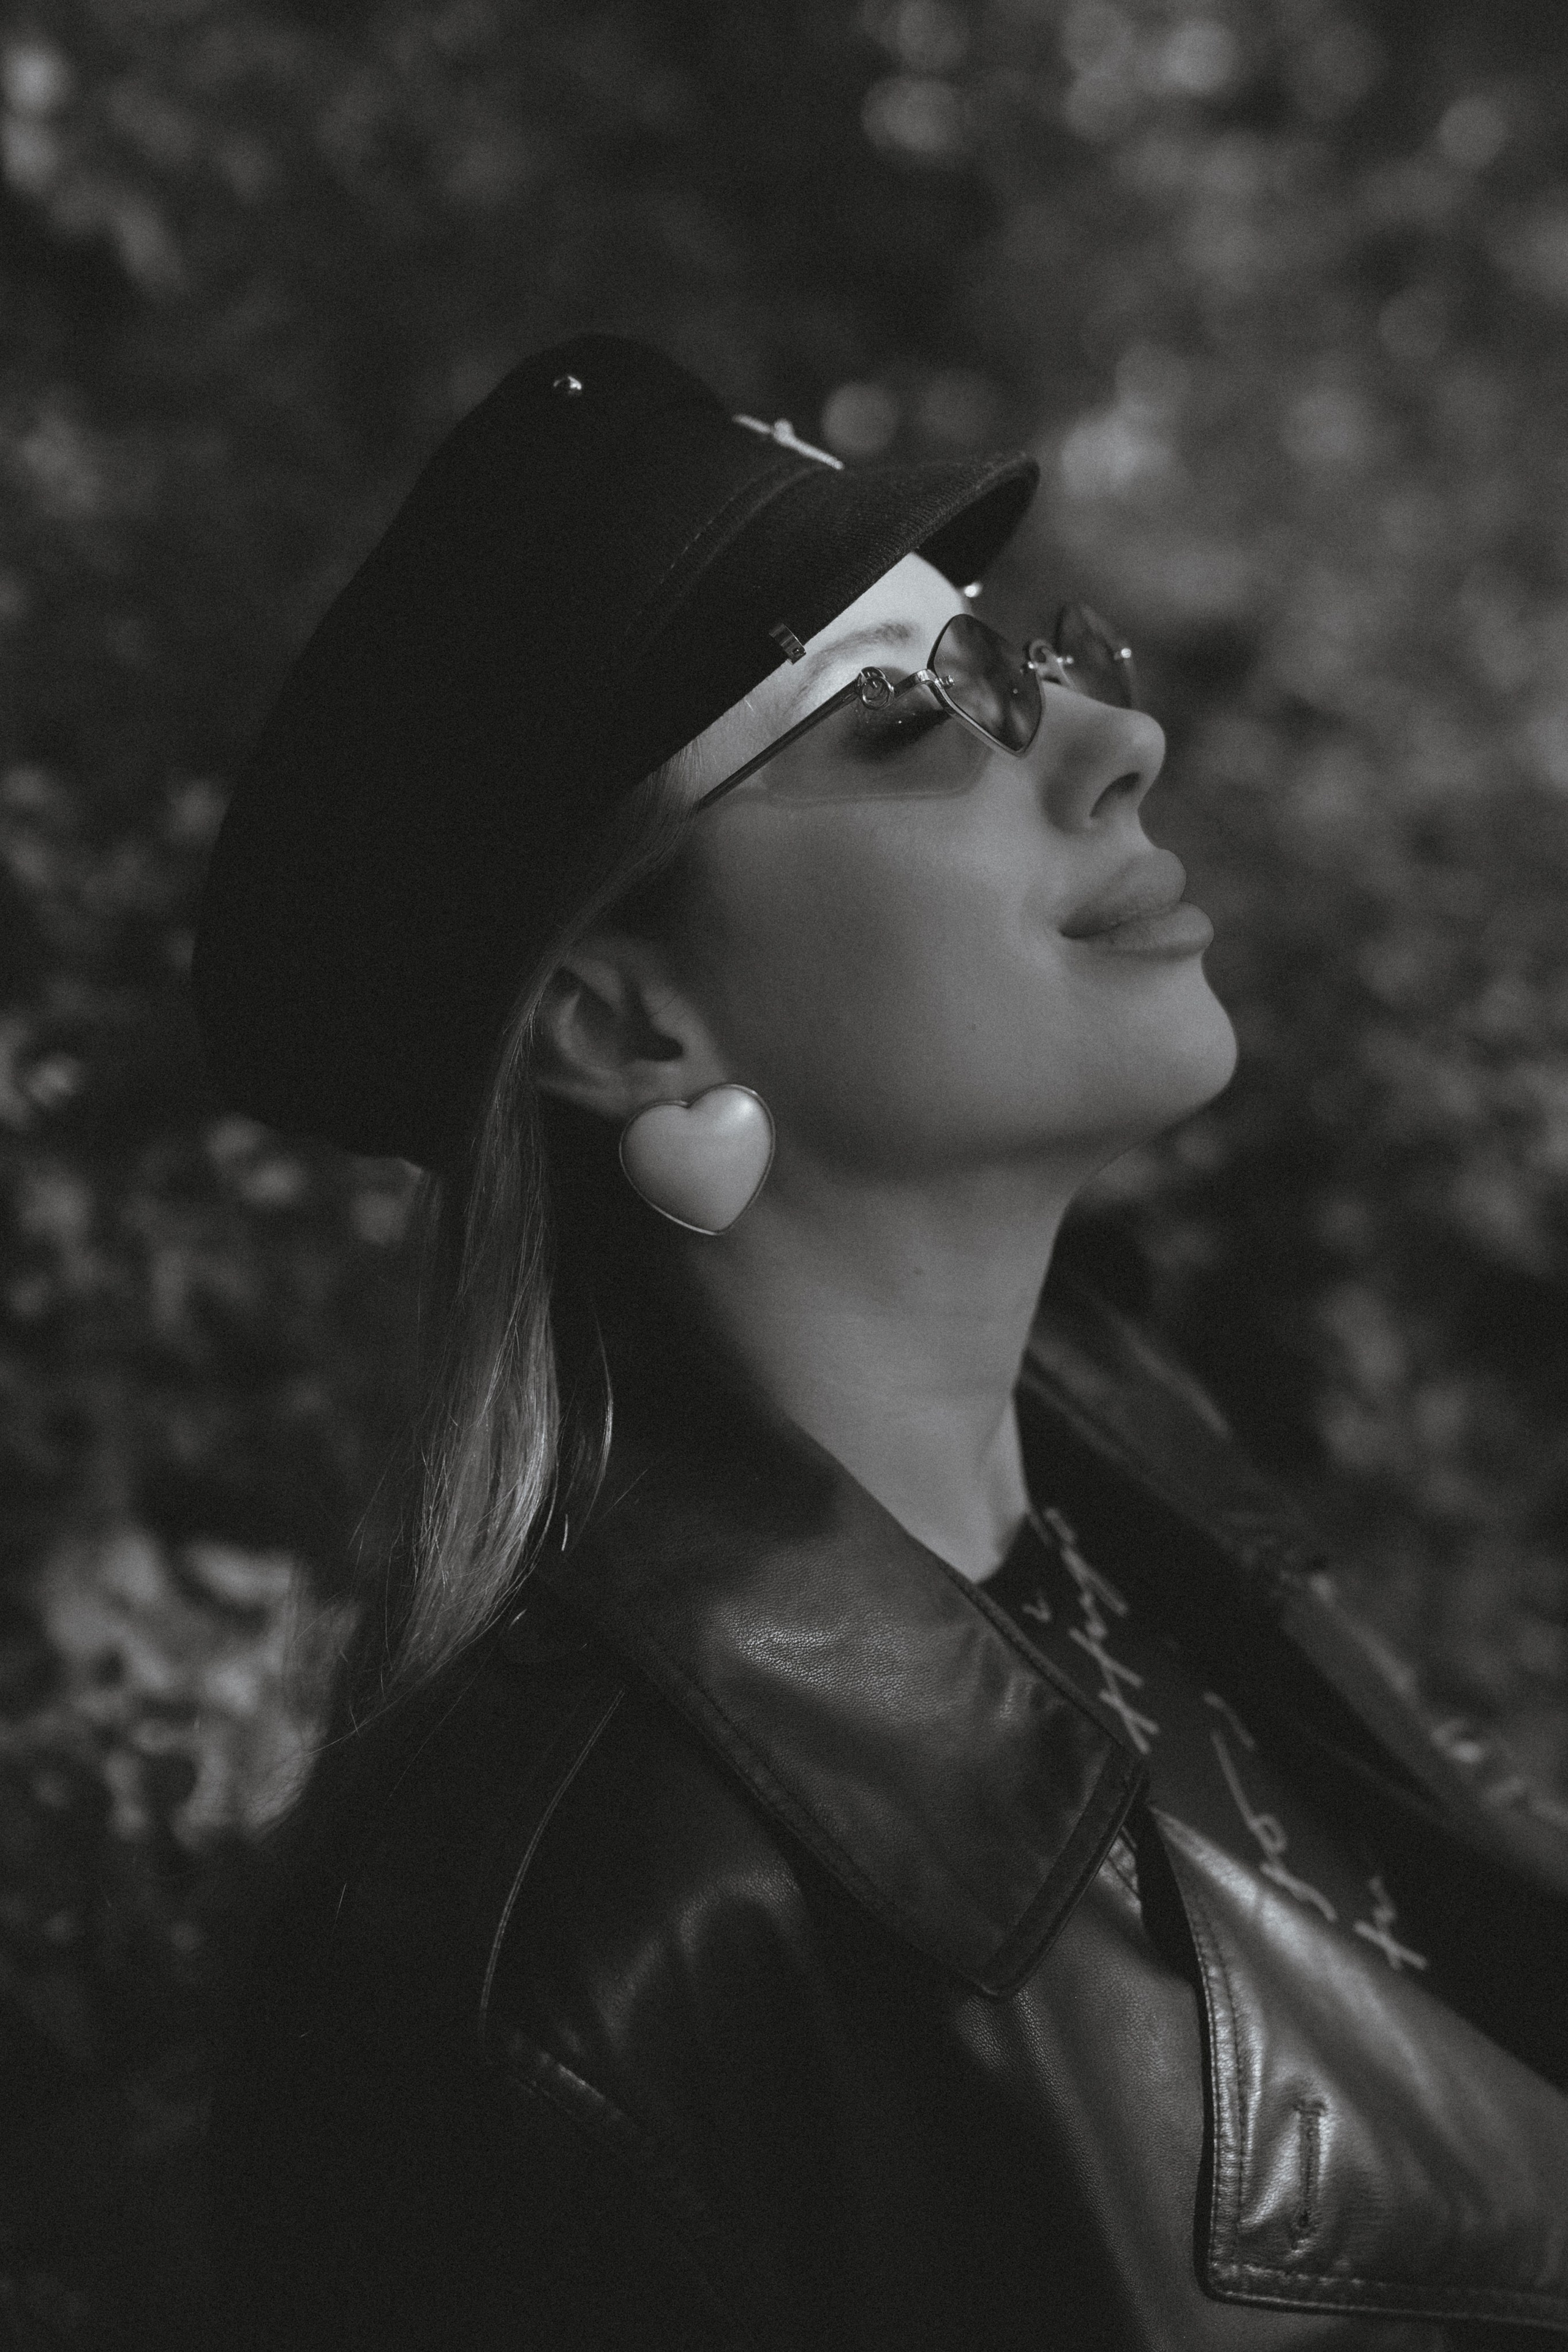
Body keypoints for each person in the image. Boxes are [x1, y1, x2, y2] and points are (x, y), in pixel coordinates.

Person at [194, 334, 1568, 2351]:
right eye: (921, 720)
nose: (1114, 745)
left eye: (1032, 660)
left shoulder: (1135, 1473)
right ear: (623, 1026)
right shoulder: (555, 1968)